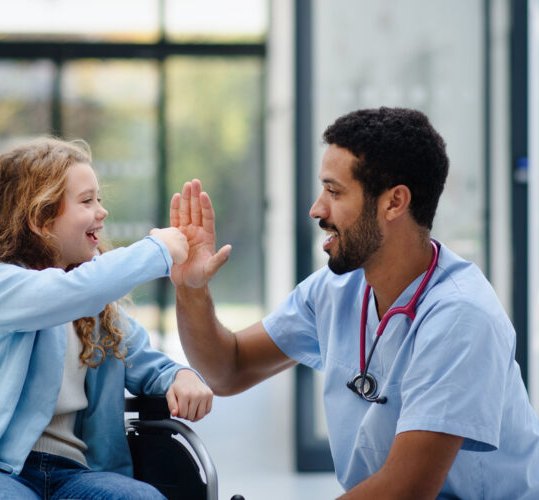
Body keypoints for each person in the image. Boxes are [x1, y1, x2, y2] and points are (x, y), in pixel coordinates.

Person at [170, 107, 539, 499]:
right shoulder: (335, 290)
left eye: (334, 191)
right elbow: (229, 369)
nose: (316, 209)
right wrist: (192, 289)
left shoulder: (461, 316)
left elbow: (406, 490)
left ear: (394, 203)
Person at [0, 137, 213, 500]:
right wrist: (158, 250)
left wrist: (181, 375)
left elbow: (147, 363)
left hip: (75, 475)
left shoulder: (97, 310)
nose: (102, 212)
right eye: (87, 201)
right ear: (39, 218)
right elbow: (70, 292)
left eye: (99, 199)